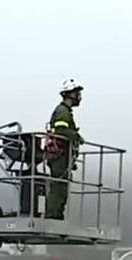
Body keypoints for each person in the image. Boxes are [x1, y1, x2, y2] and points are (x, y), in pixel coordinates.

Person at [44, 79, 84, 221]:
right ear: (70, 95)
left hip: (62, 155)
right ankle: (53, 216)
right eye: (77, 93)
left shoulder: (65, 111)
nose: (80, 96)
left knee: (61, 186)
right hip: (59, 155)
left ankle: (56, 215)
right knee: (59, 186)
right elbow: (61, 130)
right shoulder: (62, 111)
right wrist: (76, 137)